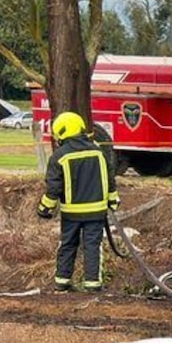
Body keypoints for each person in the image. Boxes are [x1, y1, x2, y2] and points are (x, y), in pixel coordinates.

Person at [37, 112, 119, 292]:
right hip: (97, 212)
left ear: (63, 131)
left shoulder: (60, 156)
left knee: (67, 244)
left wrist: (44, 208)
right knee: (92, 246)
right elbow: (109, 177)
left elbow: (54, 189)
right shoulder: (98, 151)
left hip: (71, 213)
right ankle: (92, 283)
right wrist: (113, 200)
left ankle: (62, 281)